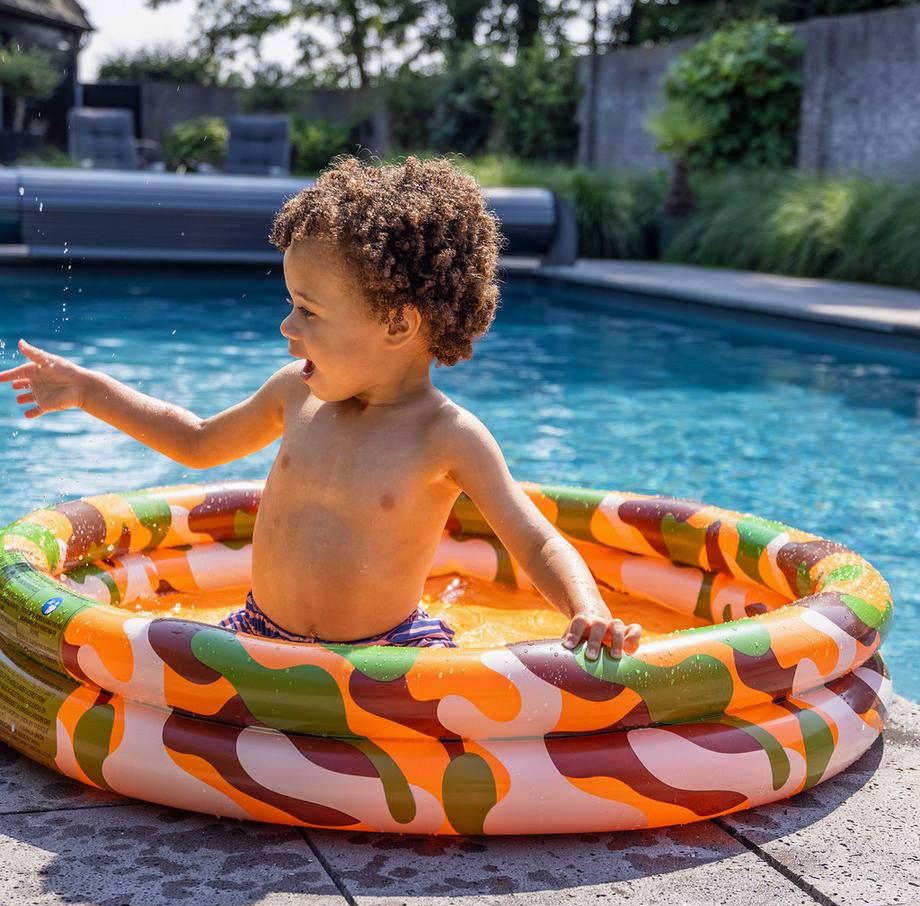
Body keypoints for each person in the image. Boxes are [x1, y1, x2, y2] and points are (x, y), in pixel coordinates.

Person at [0, 154, 642, 660]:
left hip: (388, 652)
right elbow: (195, 440)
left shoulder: (447, 437)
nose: (287, 326)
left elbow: (534, 541)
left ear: (397, 324)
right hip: (258, 629)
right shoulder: (294, 392)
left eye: (308, 310)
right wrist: (90, 390)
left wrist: (588, 611)